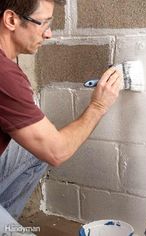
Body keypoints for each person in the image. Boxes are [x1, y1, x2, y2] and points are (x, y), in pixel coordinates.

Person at [0, 0, 122, 228]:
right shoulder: (4, 75)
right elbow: (57, 152)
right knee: (49, 146)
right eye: (43, 23)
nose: (49, 33)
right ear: (11, 20)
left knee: (34, 149)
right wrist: (98, 106)